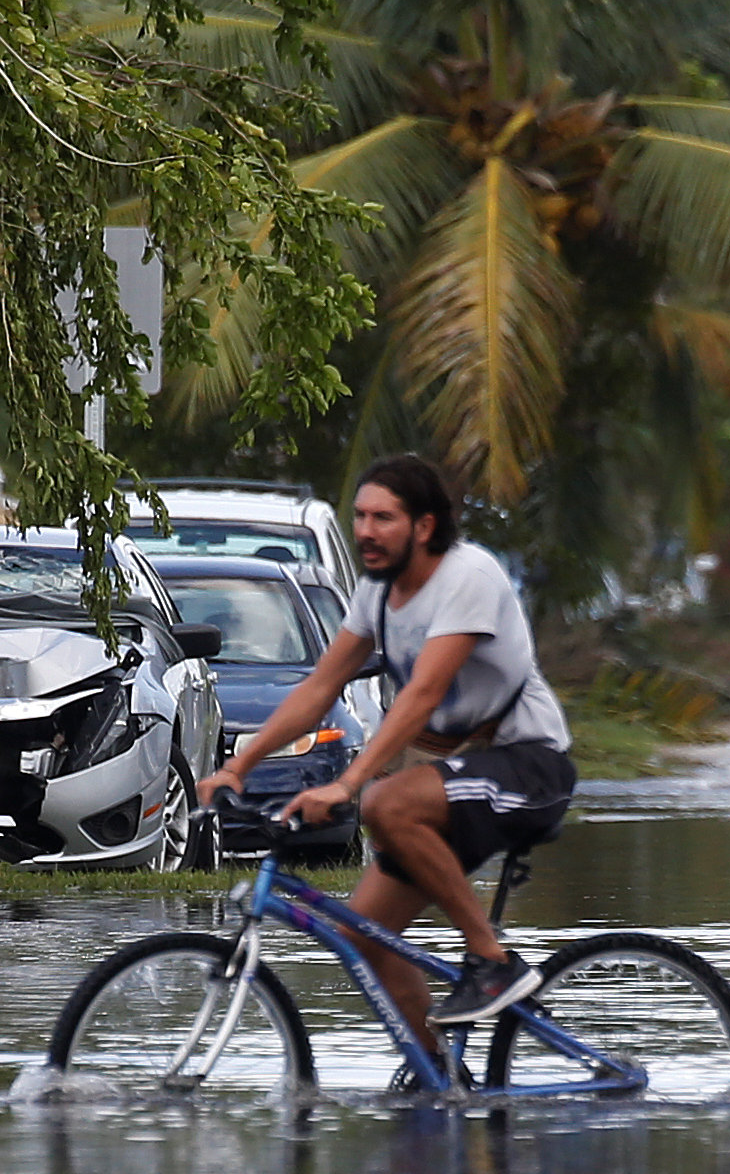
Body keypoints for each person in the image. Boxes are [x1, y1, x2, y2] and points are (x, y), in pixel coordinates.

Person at [196, 455, 575, 1074]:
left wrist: (348, 784)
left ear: (424, 527)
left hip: (528, 768)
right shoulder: (376, 593)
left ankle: (493, 961)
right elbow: (320, 686)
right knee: (362, 935)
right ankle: (438, 1079)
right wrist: (240, 764)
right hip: (462, 781)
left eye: (384, 518)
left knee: (385, 801)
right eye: (361, 517)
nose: (366, 531)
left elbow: (422, 693)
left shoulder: (468, 576)